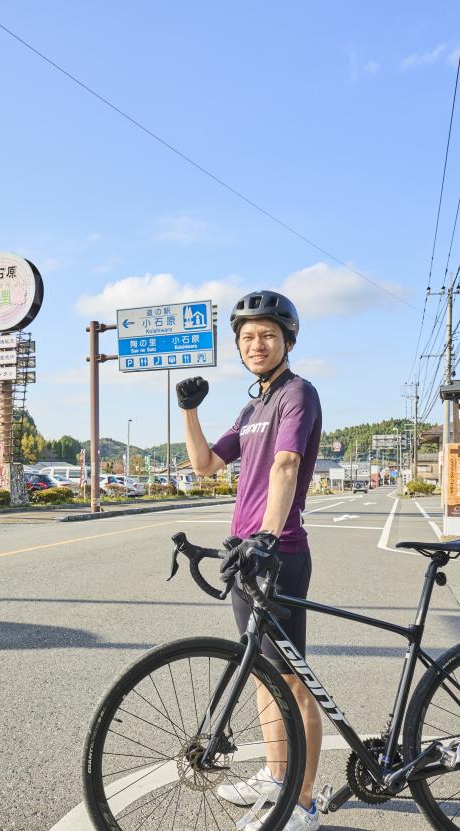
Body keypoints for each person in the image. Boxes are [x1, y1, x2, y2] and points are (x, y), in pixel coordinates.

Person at [176, 290, 323, 831]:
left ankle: (304, 802)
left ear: (287, 340)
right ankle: (275, 772)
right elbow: (206, 466)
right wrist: (189, 411)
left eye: (267, 334)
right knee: (260, 672)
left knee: (291, 680)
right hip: (247, 553)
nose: (256, 344)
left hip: (278, 551)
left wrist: (266, 535)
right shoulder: (252, 405)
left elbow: (286, 463)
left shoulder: (297, 394)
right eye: (247, 337)